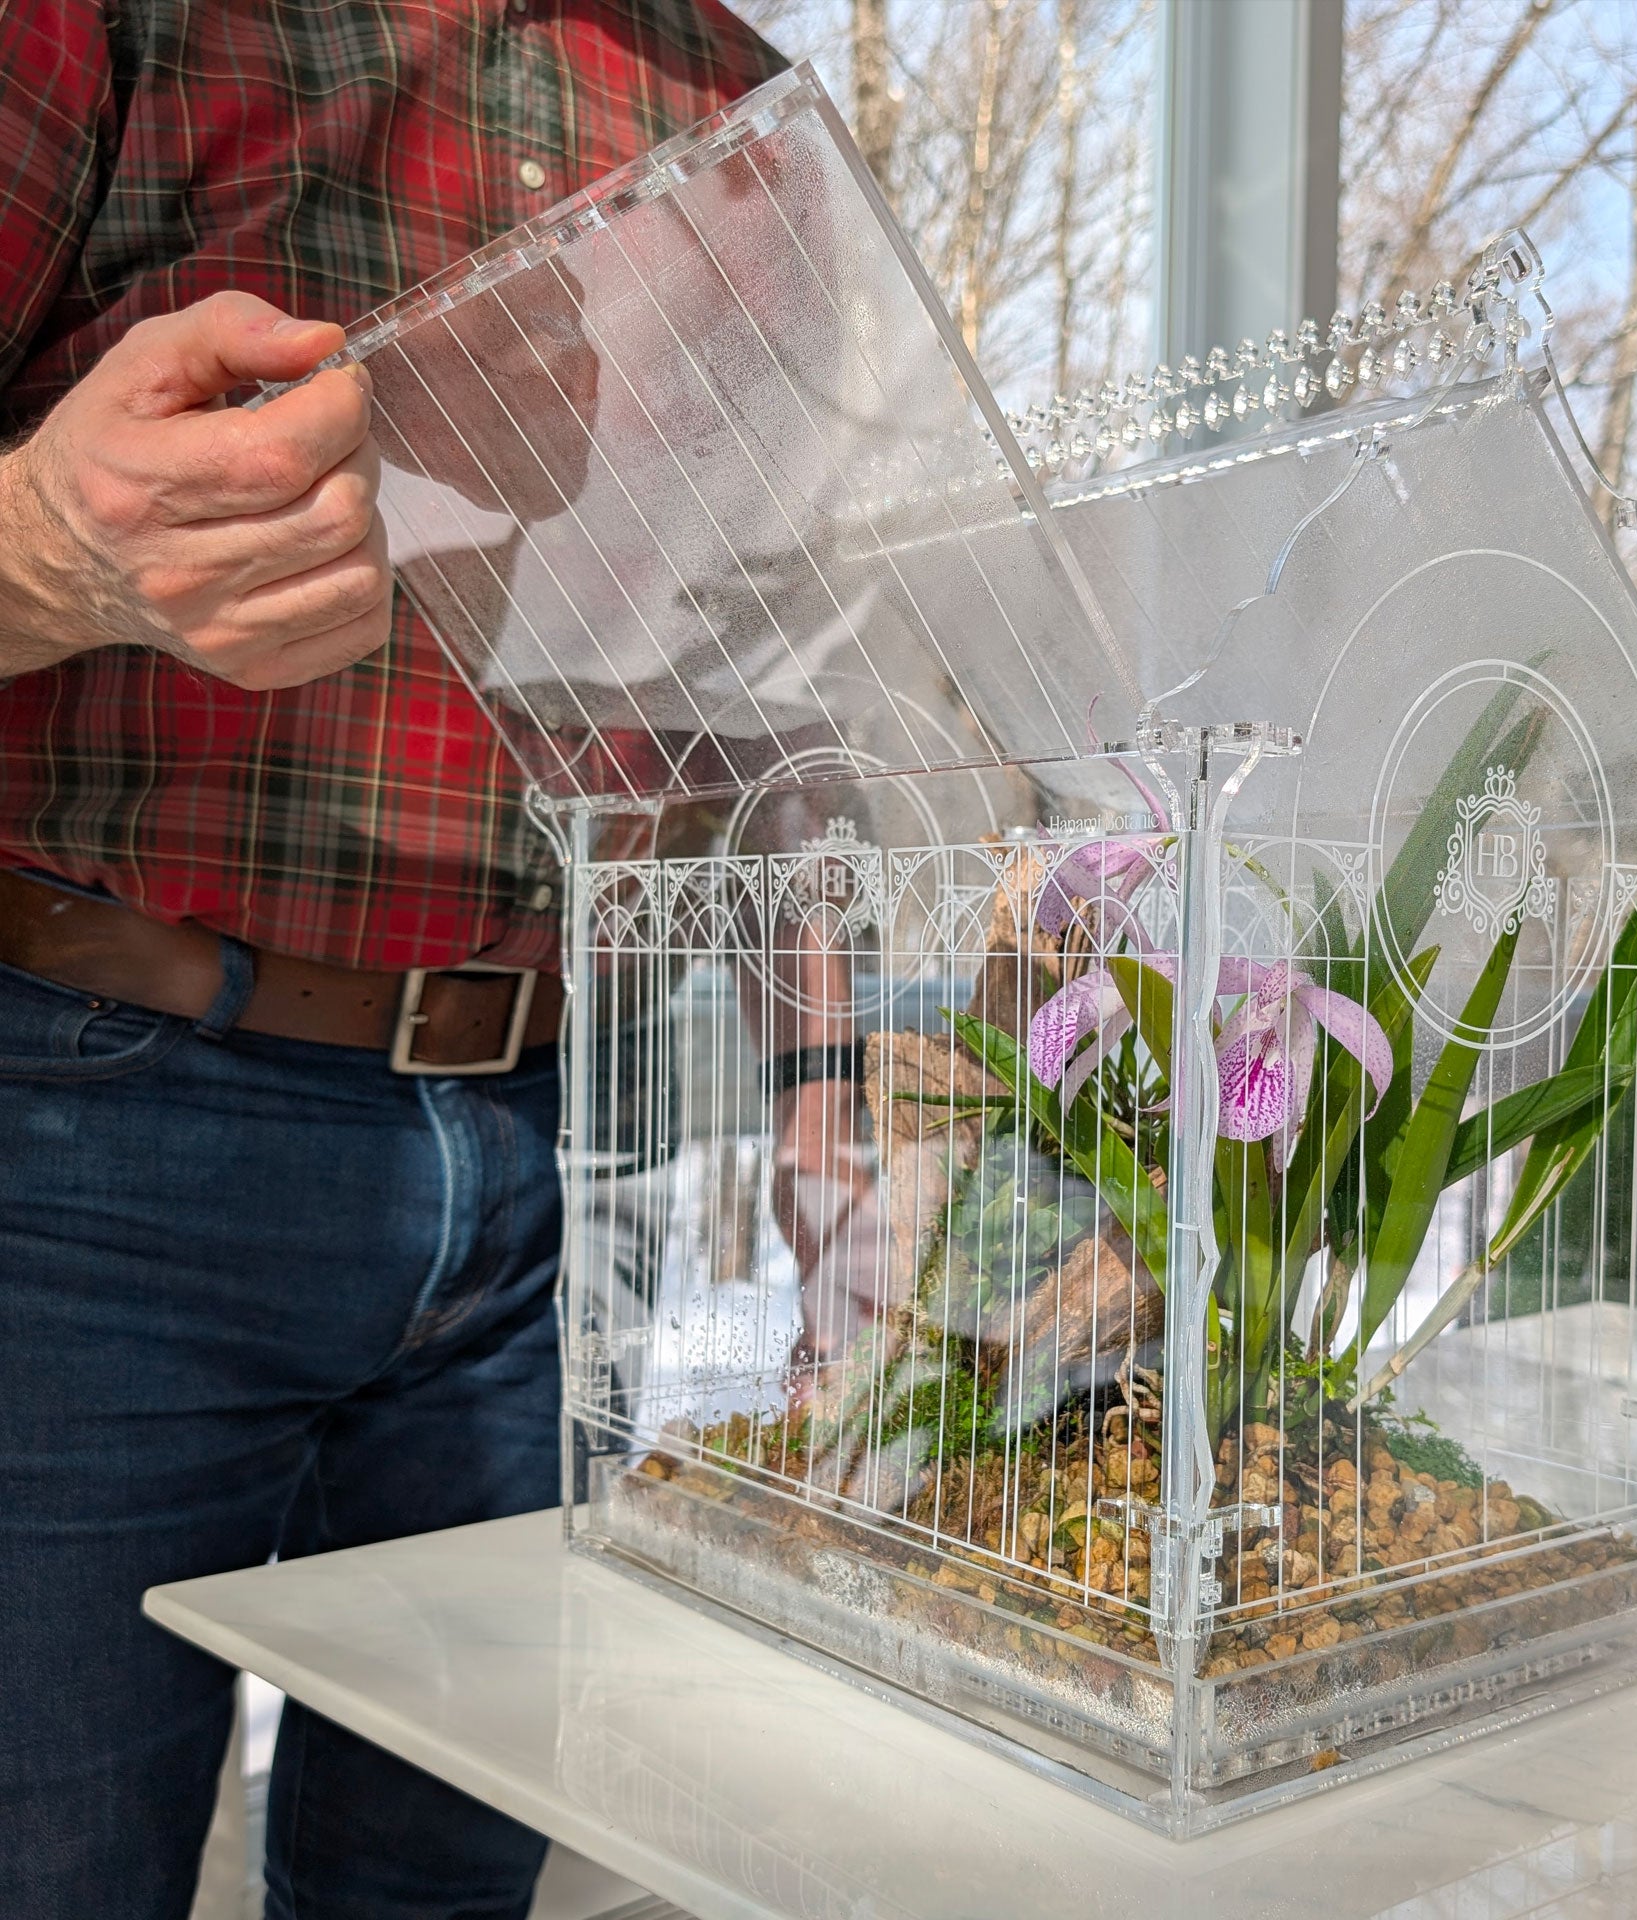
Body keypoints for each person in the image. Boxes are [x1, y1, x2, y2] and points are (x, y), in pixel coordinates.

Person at [0, 5, 786, 1916]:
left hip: (553, 1158)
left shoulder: (751, 121)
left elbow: (777, 688)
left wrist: (841, 1076)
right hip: (91, 1139)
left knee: (452, 1881)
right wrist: (43, 547)